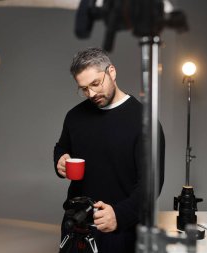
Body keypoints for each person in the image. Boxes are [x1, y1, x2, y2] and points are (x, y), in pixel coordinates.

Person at [53, 47, 165, 253]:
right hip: (75, 224)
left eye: (96, 83)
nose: (91, 93)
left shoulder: (144, 122)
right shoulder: (74, 116)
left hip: (119, 229)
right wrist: (60, 158)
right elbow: (62, 147)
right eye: (84, 89)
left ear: (111, 72)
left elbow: (151, 185)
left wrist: (120, 215)